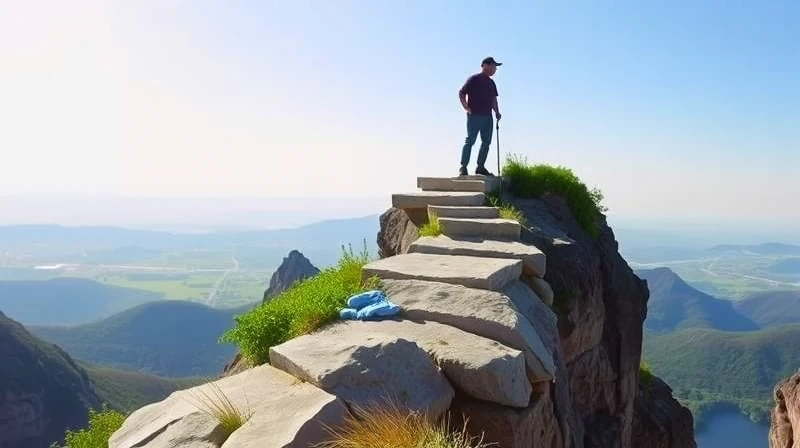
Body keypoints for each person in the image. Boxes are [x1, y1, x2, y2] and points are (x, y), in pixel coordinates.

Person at [458, 56, 502, 176]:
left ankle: (480, 167)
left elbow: (494, 99)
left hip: (488, 117)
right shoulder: (474, 79)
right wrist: (466, 107)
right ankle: (463, 167)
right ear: (485, 65)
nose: (495, 70)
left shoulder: (491, 83)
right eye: (493, 67)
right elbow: (461, 93)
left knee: (486, 142)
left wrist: (497, 112)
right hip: (474, 116)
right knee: (470, 141)